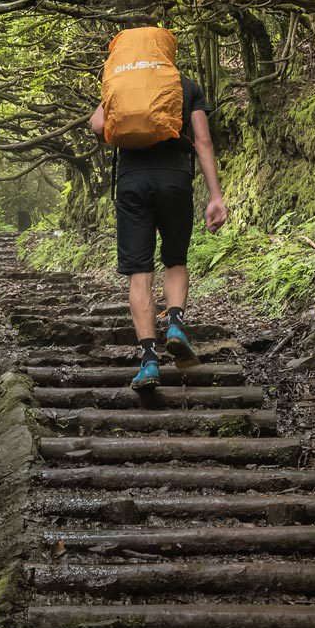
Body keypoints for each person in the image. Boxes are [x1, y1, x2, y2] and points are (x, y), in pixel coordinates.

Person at [88, 56, 228, 391]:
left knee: (140, 272)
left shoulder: (120, 86)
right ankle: (176, 323)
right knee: (175, 259)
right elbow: (203, 142)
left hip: (133, 181)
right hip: (175, 179)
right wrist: (215, 196)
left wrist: (124, 130)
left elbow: (96, 125)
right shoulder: (186, 85)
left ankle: (149, 360)